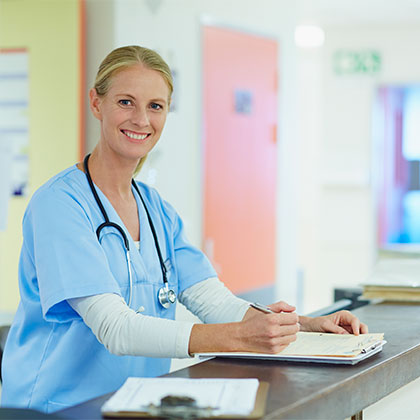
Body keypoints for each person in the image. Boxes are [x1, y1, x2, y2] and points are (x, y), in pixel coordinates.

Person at [0, 45, 368, 413]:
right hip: (55, 407)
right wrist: (239, 338)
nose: (142, 119)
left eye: (155, 106)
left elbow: (215, 302)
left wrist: (301, 325)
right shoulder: (59, 205)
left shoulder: (156, 209)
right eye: (126, 102)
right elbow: (115, 328)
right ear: (96, 103)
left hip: (132, 405)